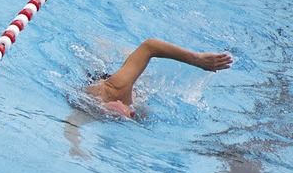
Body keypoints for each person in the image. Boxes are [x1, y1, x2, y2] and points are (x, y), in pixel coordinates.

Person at [85, 38, 233, 118]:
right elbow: (73, 126)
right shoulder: (130, 105)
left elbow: (150, 46)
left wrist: (197, 59)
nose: (131, 112)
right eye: (129, 115)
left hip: (104, 78)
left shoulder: (116, 88)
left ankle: (116, 50)